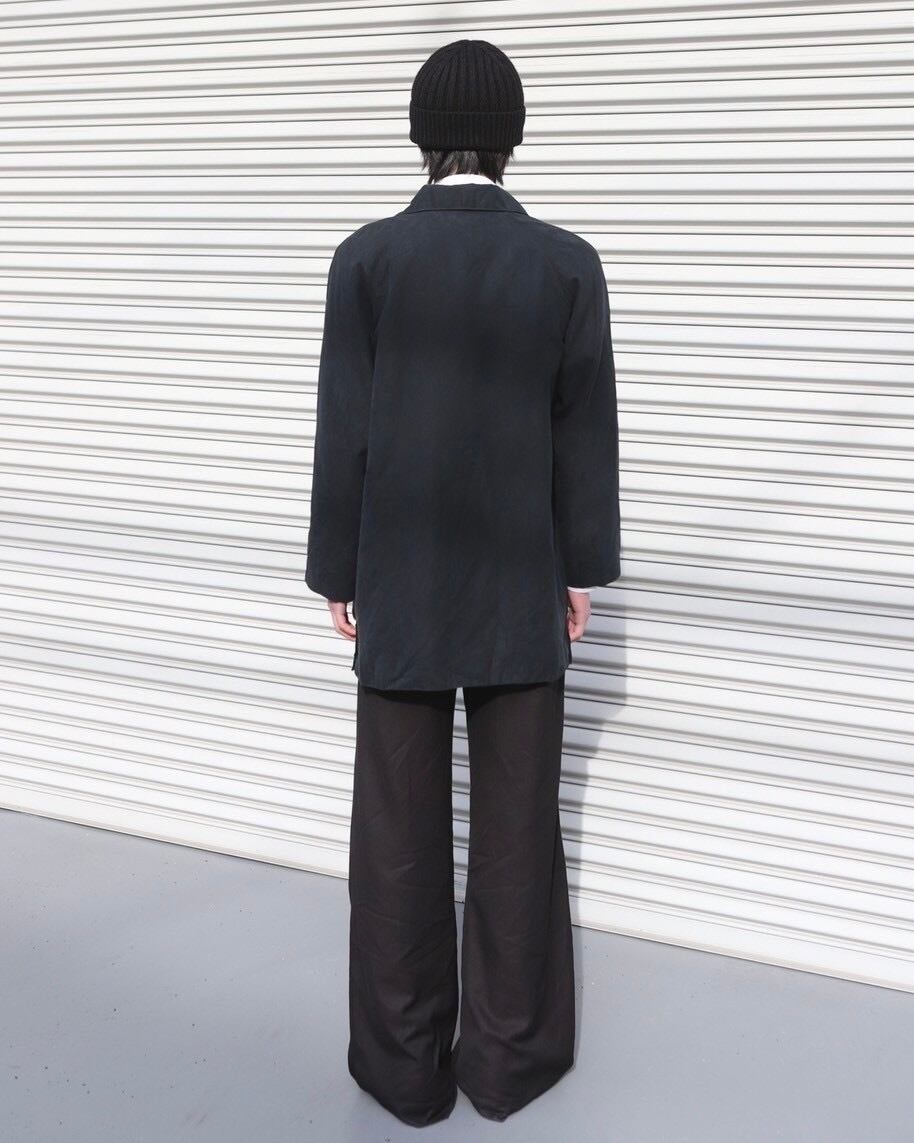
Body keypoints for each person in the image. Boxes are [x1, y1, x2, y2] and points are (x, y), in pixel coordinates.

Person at [305, 38, 621, 1126]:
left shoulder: (366, 259)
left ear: (422, 135)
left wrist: (337, 570)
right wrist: (578, 569)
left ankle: (403, 1070)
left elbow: (344, 430)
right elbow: (583, 432)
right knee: (518, 827)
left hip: (398, 579)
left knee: (397, 834)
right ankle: (508, 1063)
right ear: (511, 136)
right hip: (519, 582)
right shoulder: (566, 264)